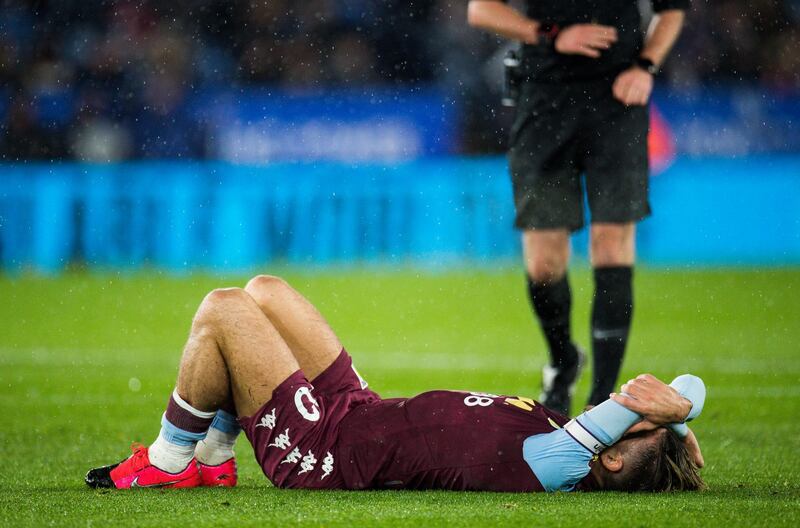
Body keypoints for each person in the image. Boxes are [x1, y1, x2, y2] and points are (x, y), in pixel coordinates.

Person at [86, 275, 705, 493]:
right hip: (358, 411)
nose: (634, 409)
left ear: (616, 460)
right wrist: (679, 418)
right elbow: (679, 388)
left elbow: (636, 394)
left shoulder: (557, 467)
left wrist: (670, 411)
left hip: (325, 453)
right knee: (265, 293)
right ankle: (215, 457)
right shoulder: (568, 441)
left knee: (223, 309)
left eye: (639, 424)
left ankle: (169, 462)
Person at [466, 0, 689, 415]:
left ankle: (602, 398)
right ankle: (564, 360)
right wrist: (550, 34)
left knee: (611, 243)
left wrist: (645, 65)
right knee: (544, 265)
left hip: (617, 103)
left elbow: (672, 9)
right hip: (544, 101)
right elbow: (480, 10)